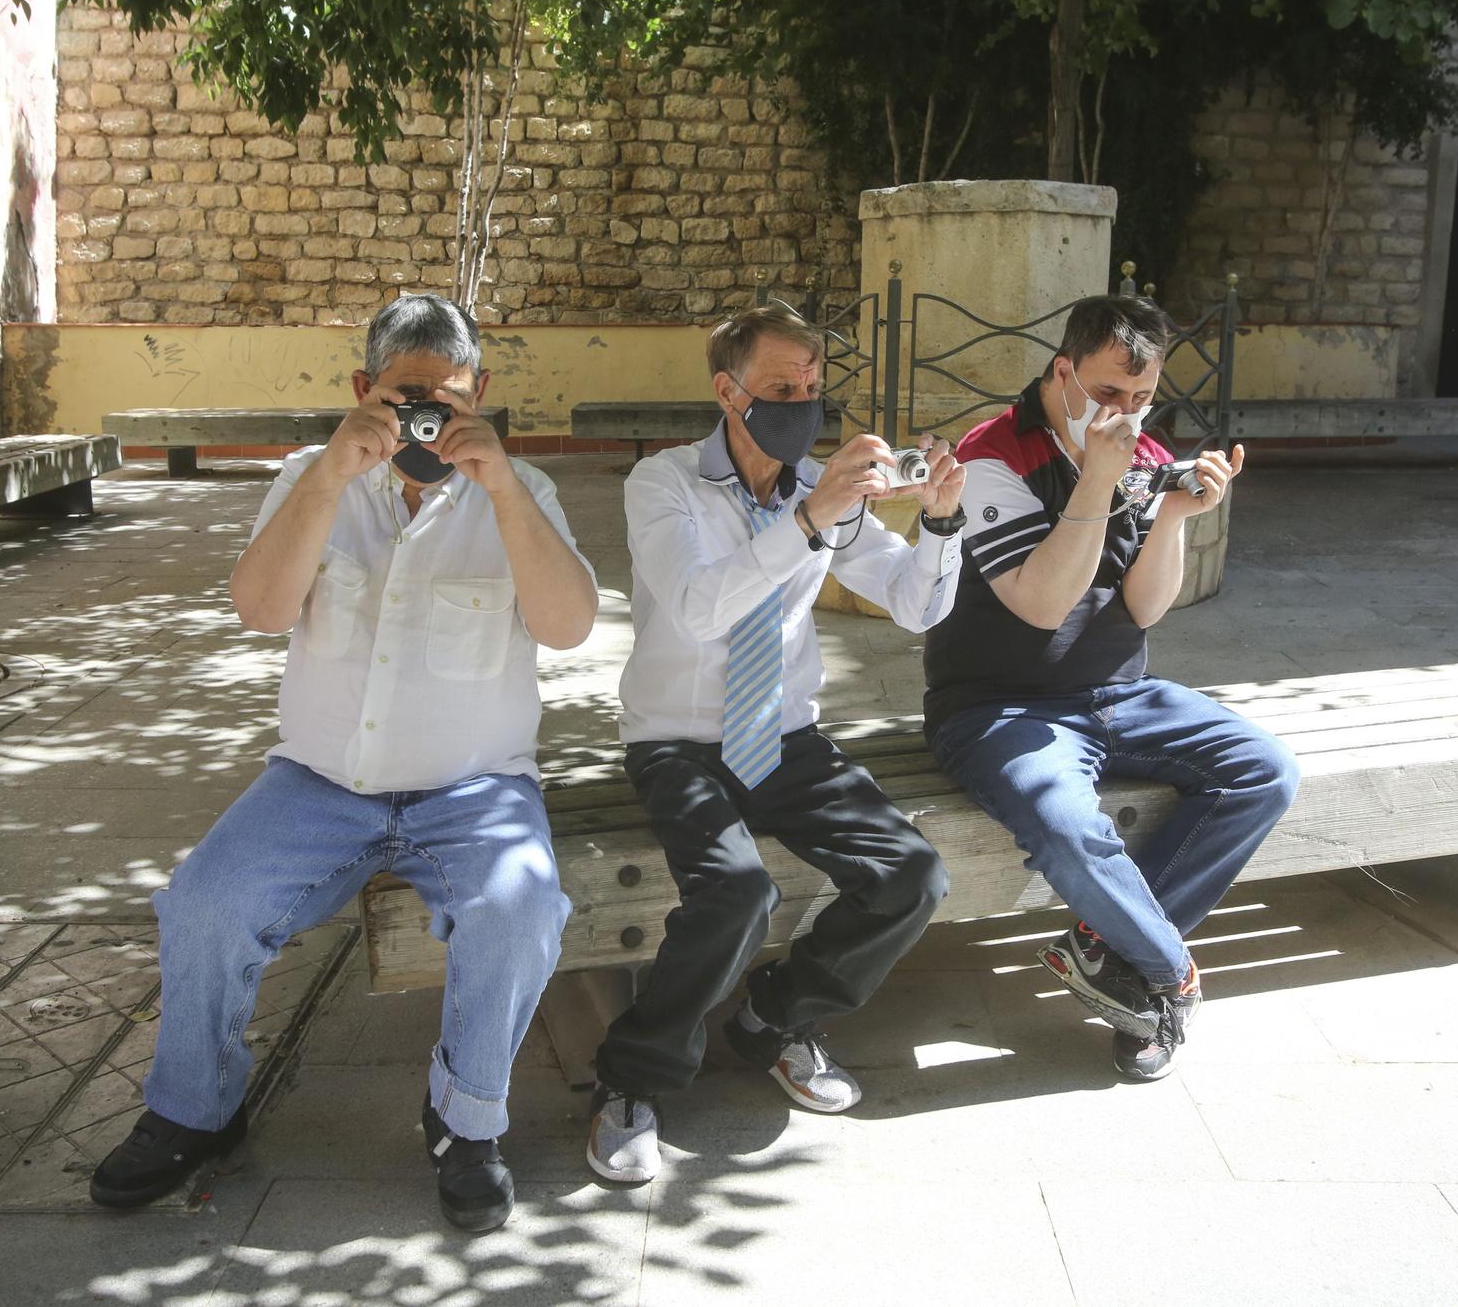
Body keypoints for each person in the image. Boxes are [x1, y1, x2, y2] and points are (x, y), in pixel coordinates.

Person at [89, 294, 598, 1231]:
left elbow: (569, 627)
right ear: (366, 390)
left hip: (475, 787)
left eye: (449, 398)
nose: (428, 419)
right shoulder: (309, 479)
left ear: (480, 396)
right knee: (205, 902)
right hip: (319, 782)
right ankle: (191, 1109)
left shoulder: (520, 492)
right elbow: (261, 608)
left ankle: (466, 1121)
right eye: (409, 396)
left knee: (522, 908)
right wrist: (330, 473)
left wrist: (506, 490)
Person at [584, 303, 966, 1184]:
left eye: (813, 385)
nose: (803, 402)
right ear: (728, 390)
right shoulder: (663, 483)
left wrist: (939, 524)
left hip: (782, 730)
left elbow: (915, 607)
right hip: (677, 737)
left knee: (912, 873)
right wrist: (806, 523)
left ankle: (775, 1016)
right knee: (735, 892)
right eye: (781, 387)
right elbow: (694, 605)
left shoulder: (816, 489)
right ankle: (631, 1077)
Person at [922, 294, 1300, 1082]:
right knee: (1067, 825)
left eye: (1141, 398)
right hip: (1002, 704)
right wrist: (1099, 480)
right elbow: (1040, 603)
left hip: (1120, 691)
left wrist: (1175, 515)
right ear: (1063, 372)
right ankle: (1167, 974)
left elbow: (1146, 606)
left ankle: (1107, 953)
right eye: (1106, 395)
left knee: (1264, 769)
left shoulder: (1144, 449)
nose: (1125, 417)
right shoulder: (990, 454)